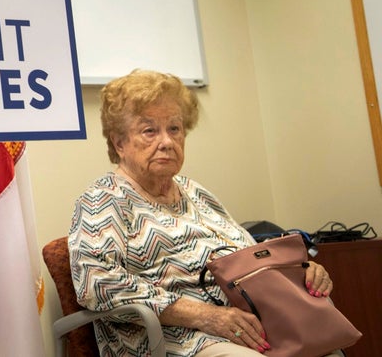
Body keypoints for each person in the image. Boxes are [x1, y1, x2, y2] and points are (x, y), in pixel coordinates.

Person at [68, 69, 339, 357]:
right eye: (149, 131)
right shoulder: (103, 199)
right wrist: (206, 316)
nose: (167, 142)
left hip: (247, 326)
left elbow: (247, 256)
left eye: (174, 129)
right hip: (173, 339)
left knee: (327, 347)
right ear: (119, 143)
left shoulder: (194, 191)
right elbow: (97, 284)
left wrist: (298, 270)